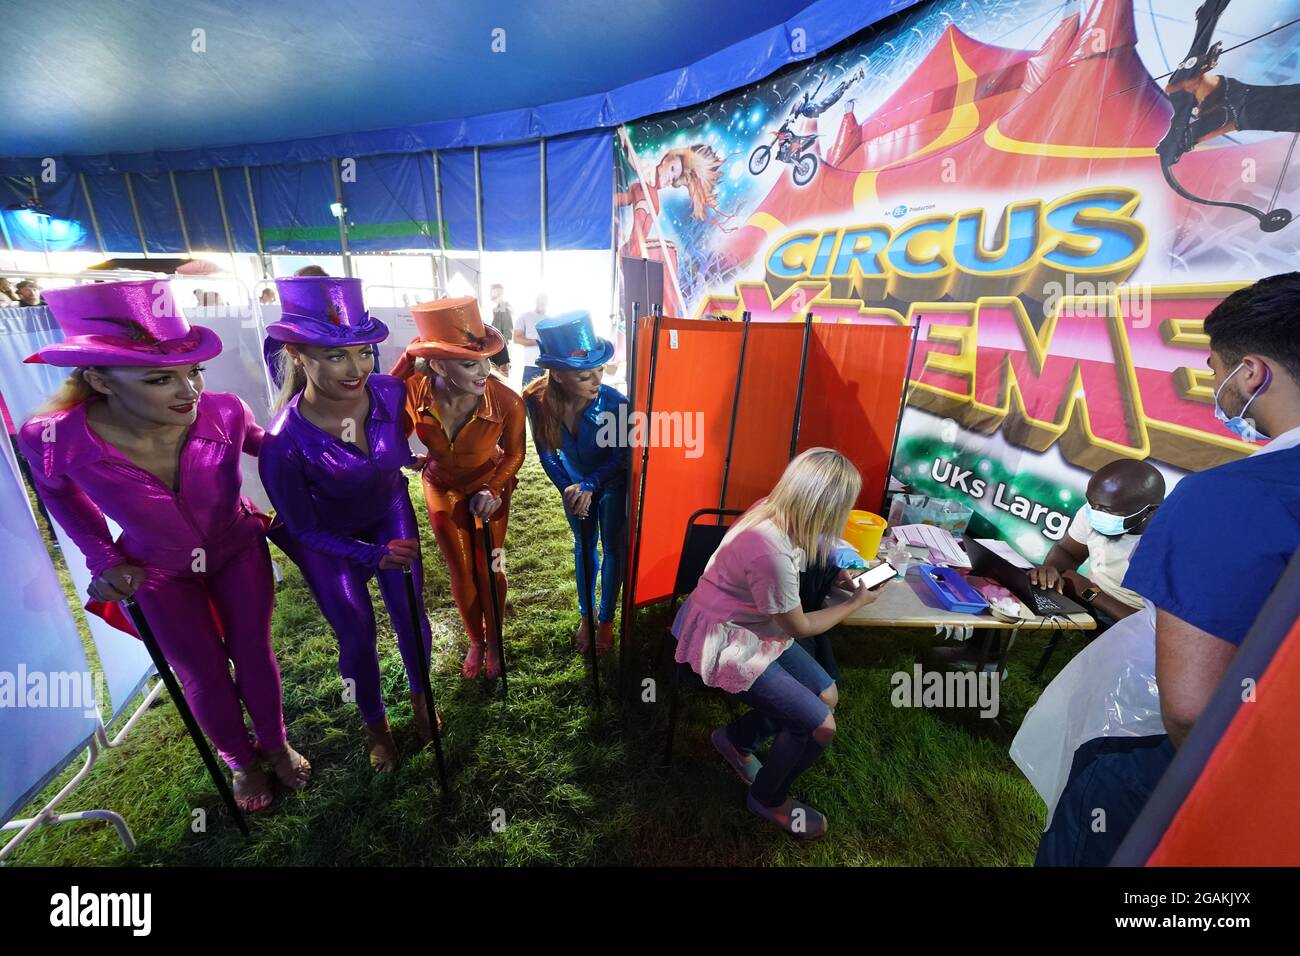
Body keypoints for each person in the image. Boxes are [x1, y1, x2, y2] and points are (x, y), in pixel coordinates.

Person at [1036, 272, 1300, 865]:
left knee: (1099, 778)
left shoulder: (1229, 499)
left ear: (1252, 372)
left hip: (1239, 787)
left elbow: (1188, 708)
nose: (1213, 381)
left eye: (1215, 366)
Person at [17, 279, 310, 813]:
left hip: (237, 546)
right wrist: (103, 557)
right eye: (160, 378)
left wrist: (328, 479)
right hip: (154, 569)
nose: (189, 391)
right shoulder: (53, 436)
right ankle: (241, 763)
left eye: (193, 371)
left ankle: (276, 744)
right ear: (99, 380)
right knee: (199, 670)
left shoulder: (224, 410)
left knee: (253, 651)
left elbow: (278, 456)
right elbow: (57, 493)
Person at [258, 275, 438, 772]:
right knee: (356, 633)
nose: (356, 367)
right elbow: (303, 529)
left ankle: (423, 700)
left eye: (363, 351)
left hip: (389, 513)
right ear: (297, 354)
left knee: (410, 613)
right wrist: (370, 556)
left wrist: (418, 463)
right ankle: (374, 725)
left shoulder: (389, 390)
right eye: (336, 355)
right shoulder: (282, 443)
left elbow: (393, 452)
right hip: (328, 541)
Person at [672, 448, 888, 838]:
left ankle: (735, 740)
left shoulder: (774, 508)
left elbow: (796, 557)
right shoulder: (770, 550)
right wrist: (856, 602)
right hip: (725, 639)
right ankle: (767, 798)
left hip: (751, 625)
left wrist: (835, 576)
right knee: (821, 726)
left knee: (826, 697)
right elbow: (801, 627)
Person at [393, 297, 525, 679]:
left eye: (485, 359)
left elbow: (516, 454)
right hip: (441, 485)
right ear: (436, 364)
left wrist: (495, 488)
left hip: (490, 484)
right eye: (470, 363)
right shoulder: (415, 391)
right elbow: (390, 430)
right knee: (461, 570)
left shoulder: (507, 401)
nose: (485, 370)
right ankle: (476, 640)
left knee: (490, 566)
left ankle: (496, 641)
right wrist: (406, 456)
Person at [522, 312, 627, 656]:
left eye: (600, 370)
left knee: (612, 547)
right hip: (573, 484)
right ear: (560, 375)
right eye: (585, 375)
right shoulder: (536, 400)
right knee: (583, 545)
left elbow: (619, 457)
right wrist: (570, 488)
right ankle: (586, 616)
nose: (597, 379)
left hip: (610, 482)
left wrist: (590, 485)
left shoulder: (615, 403)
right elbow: (547, 454)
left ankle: (607, 619)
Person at [1029, 459, 1166, 627]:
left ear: (1149, 511)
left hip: (1128, 619)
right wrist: (1051, 572)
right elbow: (1066, 551)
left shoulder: (1170, 546)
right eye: (1091, 502)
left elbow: (1156, 626)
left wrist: (1090, 593)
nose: (1095, 512)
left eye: (1107, 510)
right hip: (1089, 595)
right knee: (1023, 575)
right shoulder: (1094, 509)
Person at [513, 293, 547, 387]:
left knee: (547, 398)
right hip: (532, 365)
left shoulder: (550, 319)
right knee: (528, 397)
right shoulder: (525, 316)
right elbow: (516, 338)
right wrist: (539, 342)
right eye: (540, 300)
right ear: (535, 301)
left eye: (544, 300)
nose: (542, 302)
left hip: (548, 366)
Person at [487, 283, 513, 376]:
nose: (497, 297)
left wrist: (501, 353)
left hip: (499, 356)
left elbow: (508, 334)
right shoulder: (493, 310)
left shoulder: (504, 309)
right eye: (494, 295)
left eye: (499, 295)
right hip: (492, 355)